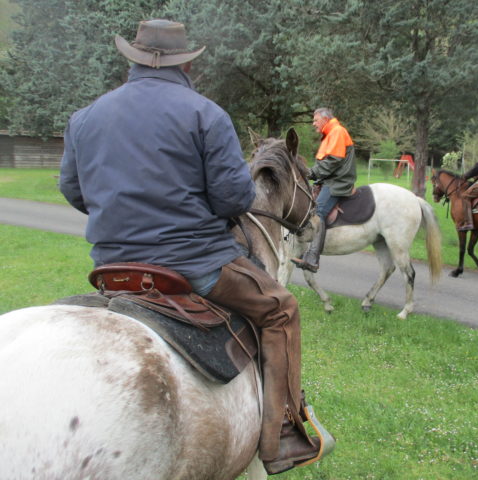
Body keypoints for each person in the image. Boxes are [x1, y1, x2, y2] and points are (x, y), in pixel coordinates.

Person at [58, 19, 331, 475]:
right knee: (281, 309)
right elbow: (234, 199)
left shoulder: (84, 118)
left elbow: (73, 189)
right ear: (186, 64)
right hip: (192, 265)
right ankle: (284, 433)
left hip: (111, 266)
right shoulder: (206, 115)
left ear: (133, 59)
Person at [291, 108, 356, 272]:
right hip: (330, 179)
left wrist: (311, 173)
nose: (313, 124)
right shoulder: (330, 134)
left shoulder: (337, 132)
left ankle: (312, 259)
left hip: (337, 182)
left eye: (315, 120)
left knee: (317, 213)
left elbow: (333, 161)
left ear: (325, 120)